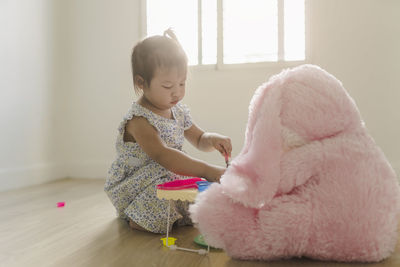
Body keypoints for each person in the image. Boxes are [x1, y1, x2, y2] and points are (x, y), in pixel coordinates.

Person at [104, 29, 232, 234]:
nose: (177, 92)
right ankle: (137, 216)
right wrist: (208, 170)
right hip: (137, 186)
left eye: (182, 83)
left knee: (201, 190)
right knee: (169, 189)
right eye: (167, 86)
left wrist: (212, 139)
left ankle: (177, 213)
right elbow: (163, 156)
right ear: (141, 83)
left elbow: (199, 139)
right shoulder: (139, 120)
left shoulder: (178, 111)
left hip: (169, 175)